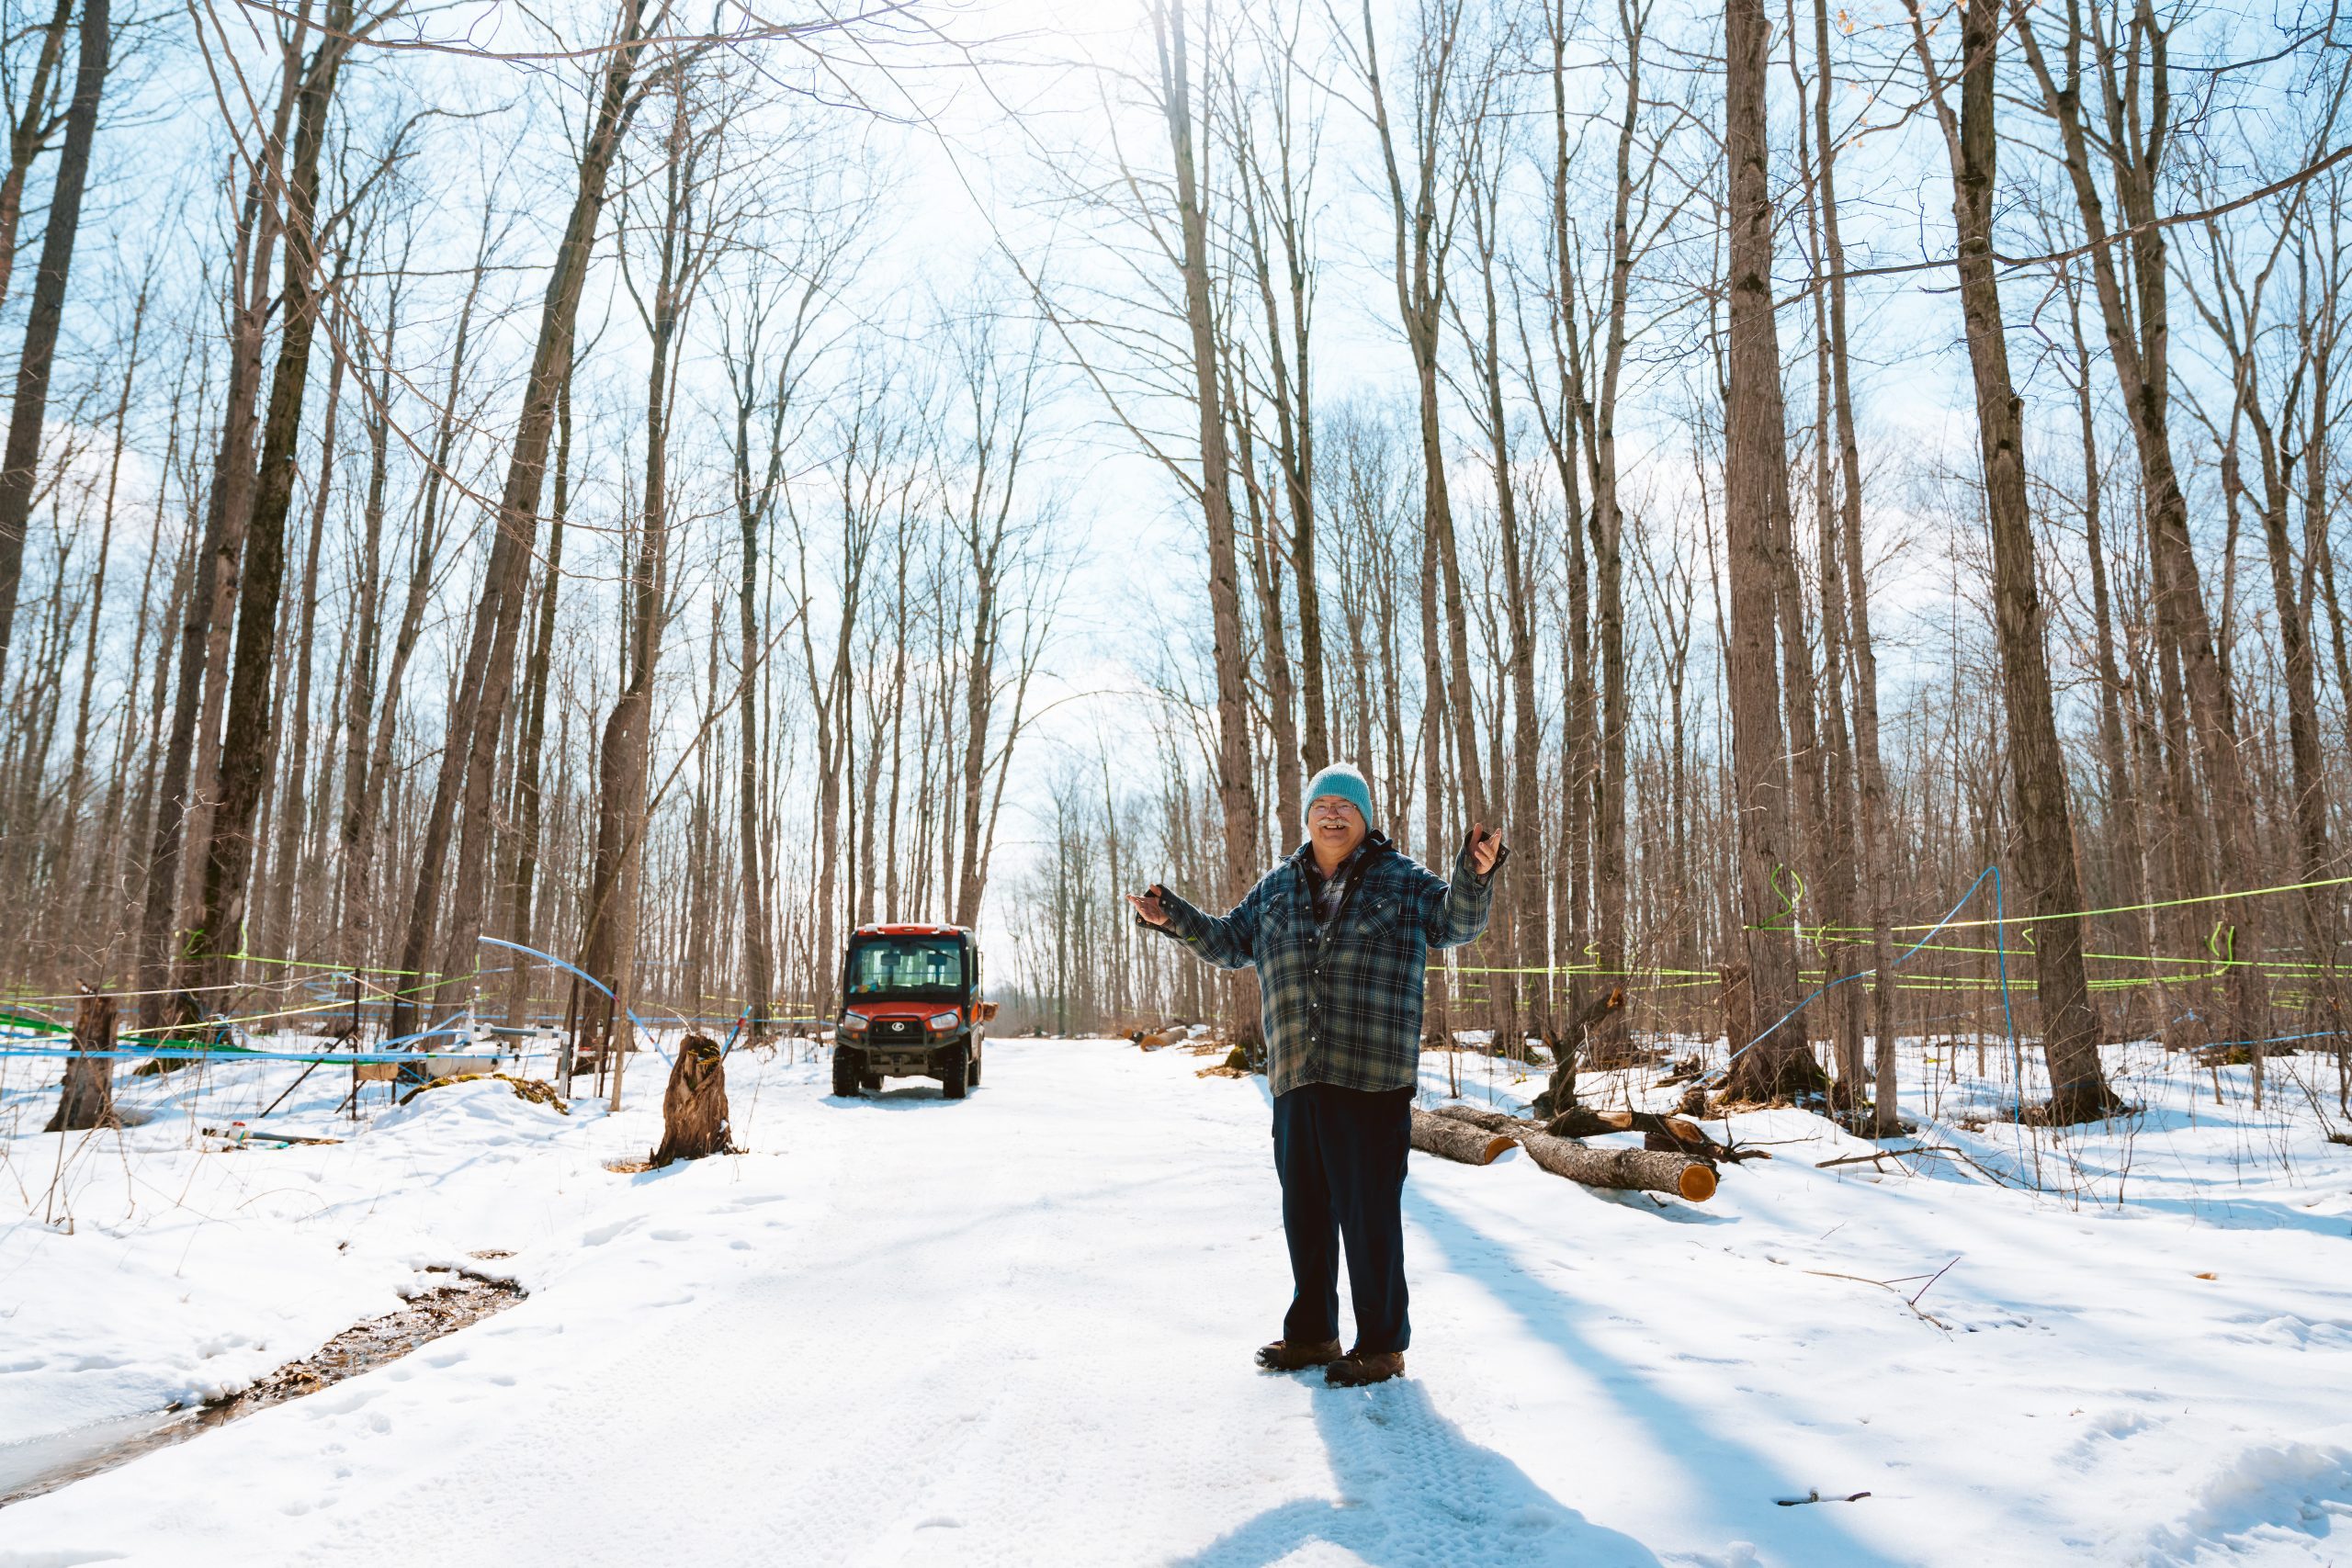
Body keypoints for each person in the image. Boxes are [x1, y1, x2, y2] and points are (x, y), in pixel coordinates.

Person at [1125, 763, 1504, 1387]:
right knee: (1304, 1209)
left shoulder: (1401, 879)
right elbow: (1227, 941)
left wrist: (1475, 874)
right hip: (1298, 1073)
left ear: (1366, 817)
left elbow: (1455, 922)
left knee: (1368, 1212)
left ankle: (1381, 1343)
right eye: (1322, 804)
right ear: (1307, 816)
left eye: (1346, 806)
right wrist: (1172, 916)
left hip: (1372, 1078)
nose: (1333, 814)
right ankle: (1314, 1333)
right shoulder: (1277, 887)